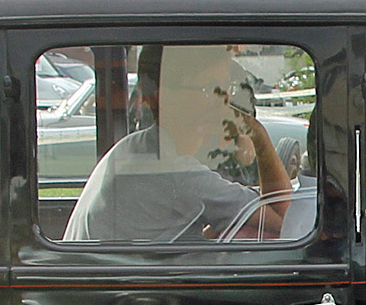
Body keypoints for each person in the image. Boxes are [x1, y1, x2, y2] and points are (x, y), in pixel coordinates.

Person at [65, 45, 290, 242]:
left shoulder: (136, 148)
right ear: (164, 96)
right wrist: (258, 135)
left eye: (226, 88)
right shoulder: (177, 173)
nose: (224, 101)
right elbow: (287, 220)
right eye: (209, 88)